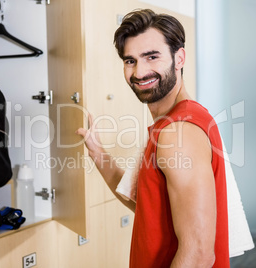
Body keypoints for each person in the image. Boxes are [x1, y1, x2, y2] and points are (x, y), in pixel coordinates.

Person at [76, 9, 229, 268]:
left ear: (179, 58)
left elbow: (199, 255)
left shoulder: (178, 133)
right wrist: (98, 154)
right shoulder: (172, 124)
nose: (139, 72)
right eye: (130, 61)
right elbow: (148, 209)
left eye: (151, 57)